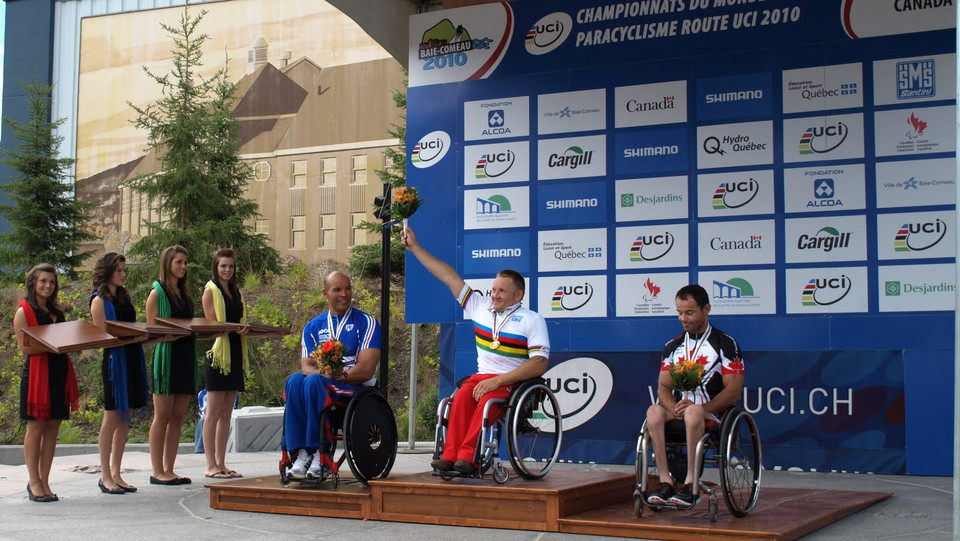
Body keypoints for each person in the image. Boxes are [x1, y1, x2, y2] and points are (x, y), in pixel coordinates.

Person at [402, 225, 550, 475]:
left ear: (518, 295)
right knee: (460, 397)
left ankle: (469, 458)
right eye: (493, 290)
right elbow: (448, 277)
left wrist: (498, 381)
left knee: (486, 402)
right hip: (482, 377)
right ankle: (450, 456)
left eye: (502, 291)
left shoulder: (531, 319)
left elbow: (539, 364)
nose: (495, 295)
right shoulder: (479, 307)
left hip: (512, 381)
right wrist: (415, 248)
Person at [644, 284, 745, 507]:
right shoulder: (673, 346)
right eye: (680, 313)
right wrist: (673, 408)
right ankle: (665, 481)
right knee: (653, 411)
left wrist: (704, 408)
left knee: (693, 411)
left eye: (689, 312)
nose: (683, 318)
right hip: (682, 411)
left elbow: (734, 390)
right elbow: (662, 387)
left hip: (712, 414)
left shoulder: (726, 345)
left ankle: (691, 484)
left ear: (706, 309)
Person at [284, 271, 381, 480]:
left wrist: (336, 376)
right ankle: (300, 452)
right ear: (325, 293)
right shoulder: (313, 326)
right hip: (323, 383)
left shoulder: (366, 322)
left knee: (313, 382)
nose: (344, 294)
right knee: (294, 381)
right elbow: (306, 366)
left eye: (347, 288)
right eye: (337, 289)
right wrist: (325, 374)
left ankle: (319, 452)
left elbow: (366, 369)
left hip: (355, 387)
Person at [15, 263, 77, 502]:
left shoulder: (56, 311)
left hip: (58, 371)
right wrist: (55, 343)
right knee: (36, 427)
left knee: (53, 429)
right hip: (37, 375)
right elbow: (24, 347)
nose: (48, 286)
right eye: (43, 281)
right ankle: (33, 482)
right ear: (33, 282)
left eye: (51, 282)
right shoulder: (24, 311)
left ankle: (45, 480)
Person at [89, 252, 148, 494]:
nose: (123, 274)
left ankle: (117, 472)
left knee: (126, 415)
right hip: (115, 362)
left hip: (131, 357)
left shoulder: (124, 298)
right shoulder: (98, 301)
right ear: (107, 272)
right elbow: (102, 335)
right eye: (119, 270)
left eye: (124, 270)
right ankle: (104, 475)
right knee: (112, 417)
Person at [145, 245, 197, 485]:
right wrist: (172, 334)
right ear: (167, 264)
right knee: (162, 417)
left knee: (177, 418)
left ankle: (170, 468)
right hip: (167, 358)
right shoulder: (156, 293)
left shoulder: (185, 293)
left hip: (185, 356)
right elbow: (151, 332)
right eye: (178, 262)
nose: (183, 267)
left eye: (185, 262)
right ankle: (157, 470)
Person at [201, 248, 249, 479]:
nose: (227, 270)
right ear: (216, 267)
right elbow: (212, 326)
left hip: (235, 353)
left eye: (230, 266)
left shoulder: (235, 291)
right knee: (213, 411)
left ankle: (222, 463)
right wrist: (232, 328)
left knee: (227, 413)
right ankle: (210, 464)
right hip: (218, 356)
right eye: (223, 266)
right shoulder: (210, 291)